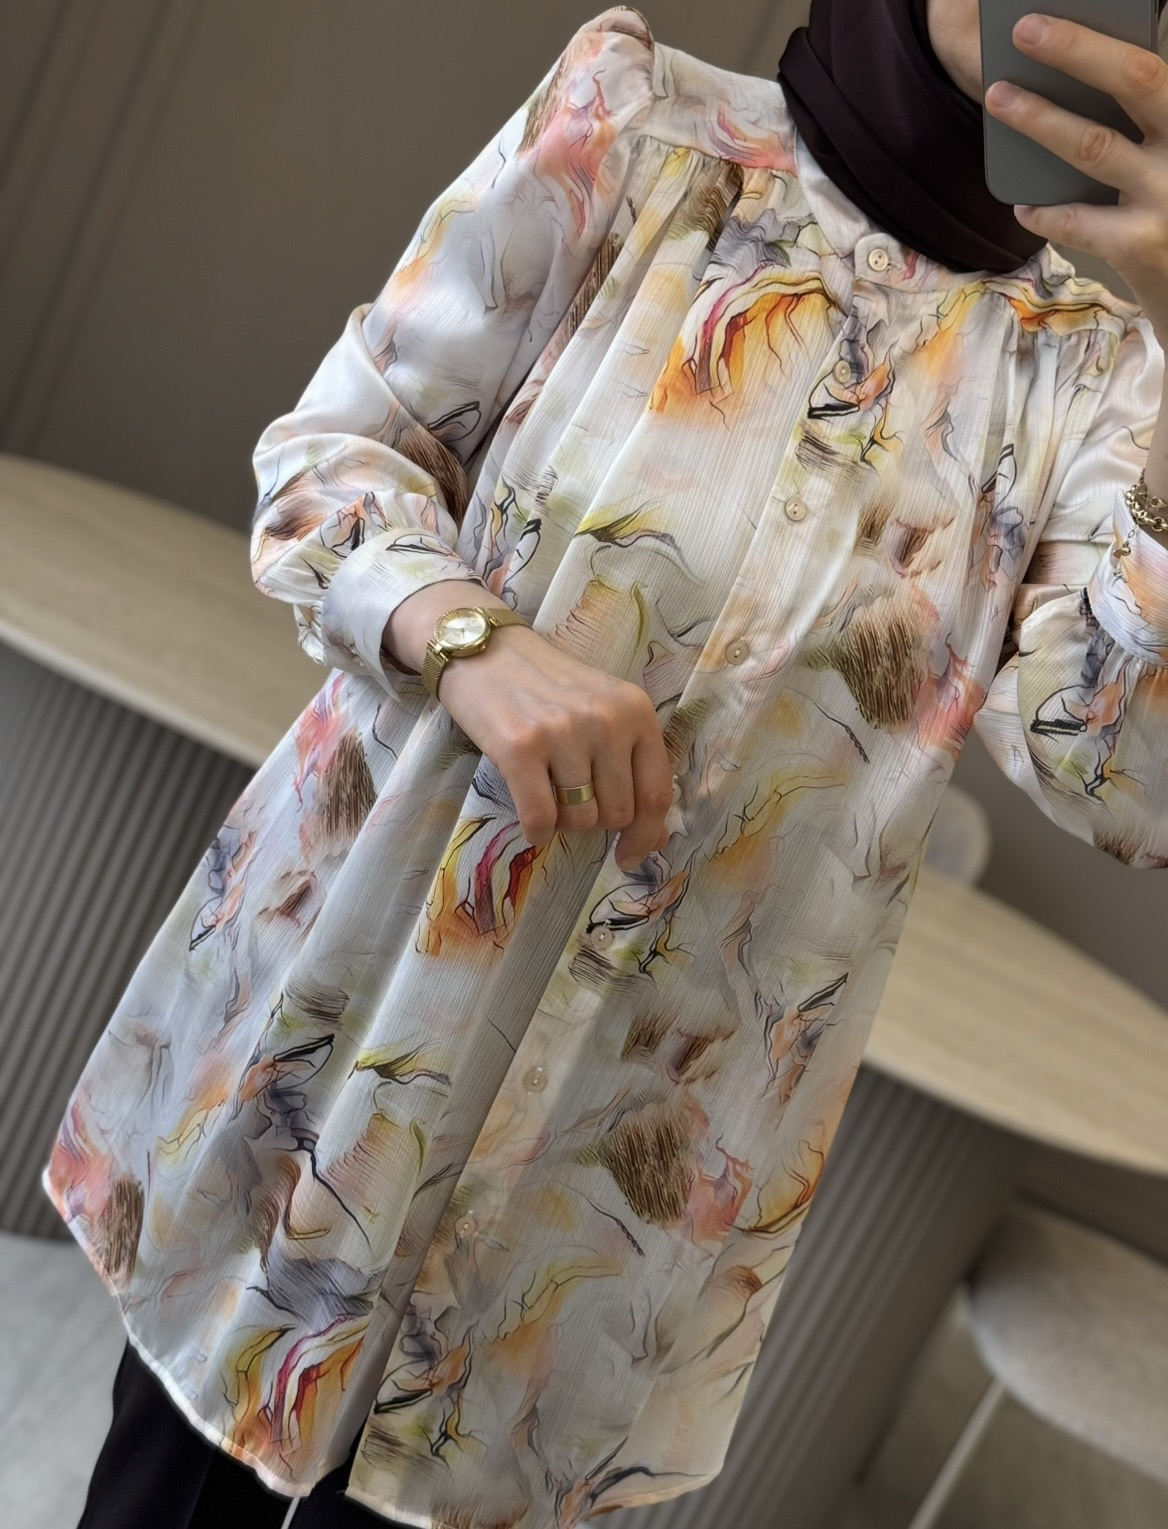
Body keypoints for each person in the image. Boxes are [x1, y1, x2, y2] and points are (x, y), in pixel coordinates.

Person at [52, 2, 1168, 1527]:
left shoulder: (1103, 374)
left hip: (599, 1184)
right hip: (339, 1038)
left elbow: (1123, 775)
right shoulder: (644, 125)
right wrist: (467, 642)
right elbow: (330, 462)